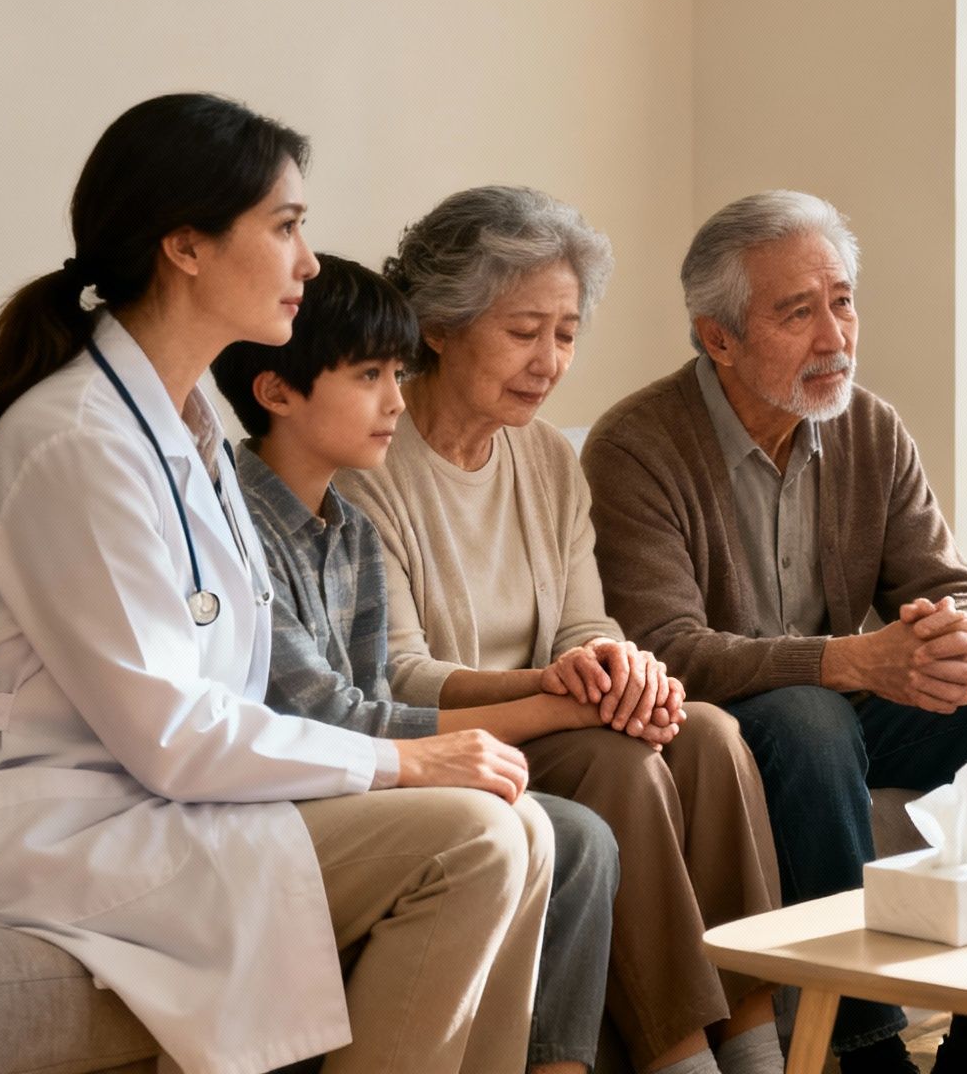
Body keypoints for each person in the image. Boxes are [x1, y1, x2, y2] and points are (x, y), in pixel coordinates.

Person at [0, 94, 552, 1074]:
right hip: (39, 829)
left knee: (524, 826)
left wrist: (410, 760)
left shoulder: (188, 424)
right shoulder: (78, 443)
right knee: (471, 841)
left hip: (147, 803)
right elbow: (172, 732)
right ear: (186, 246)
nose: (308, 262)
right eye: (284, 227)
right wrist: (406, 763)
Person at [581, 189, 967, 1074]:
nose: (836, 336)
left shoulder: (867, 425)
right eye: (798, 312)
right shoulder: (637, 446)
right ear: (719, 338)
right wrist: (849, 659)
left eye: (843, 300)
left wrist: (963, 640)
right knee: (806, 717)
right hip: (724, 732)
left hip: (849, 706)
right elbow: (666, 645)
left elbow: (953, 586)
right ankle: (865, 1048)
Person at [335, 186, 783, 1074]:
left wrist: (612, 667)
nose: (550, 362)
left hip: (556, 711)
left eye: (567, 333)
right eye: (523, 331)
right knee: (621, 761)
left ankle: (759, 1042)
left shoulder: (545, 456)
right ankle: (681, 1057)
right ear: (439, 326)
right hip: (460, 739)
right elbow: (401, 677)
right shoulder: (370, 464)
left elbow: (583, 622)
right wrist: (559, 691)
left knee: (711, 735)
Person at [212, 253, 619, 1074]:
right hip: (267, 795)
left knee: (562, 829)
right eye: (370, 376)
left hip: (348, 776)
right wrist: (554, 703)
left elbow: (371, 700)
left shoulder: (349, 532)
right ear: (277, 392)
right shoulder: (236, 525)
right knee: (526, 826)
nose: (397, 399)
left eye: (397, 373)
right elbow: (330, 717)